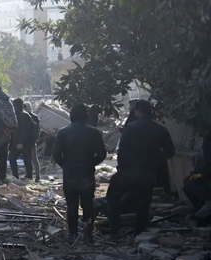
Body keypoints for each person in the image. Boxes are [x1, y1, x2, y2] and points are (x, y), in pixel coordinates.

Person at [108, 100, 175, 238]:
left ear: (138, 112)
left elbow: (122, 151)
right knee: (143, 202)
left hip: (129, 171)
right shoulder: (161, 129)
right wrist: (156, 160)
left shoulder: (131, 127)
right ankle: (140, 231)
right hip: (149, 172)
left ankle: (114, 228)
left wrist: (122, 168)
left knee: (112, 196)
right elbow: (170, 152)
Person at [52, 103, 107, 243]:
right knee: (88, 205)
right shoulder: (94, 132)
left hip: (70, 174)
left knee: (72, 205)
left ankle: (72, 233)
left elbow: (56, 154)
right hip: (87, 173)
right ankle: (88, 235)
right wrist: (90, 163)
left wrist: (66, 165)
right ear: (86, 116)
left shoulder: (63, 132)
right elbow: (102, 154)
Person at [183, 131, 211, 219]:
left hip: (207, 178)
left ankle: (208, 201)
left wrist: (199, 174)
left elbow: (206, 166)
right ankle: (198, 209)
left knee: (190, 184)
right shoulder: (205, 150)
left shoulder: (207, 147)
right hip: (204, 176)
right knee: (188, 182)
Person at [9, 98, 37, 181]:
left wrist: (21, 142)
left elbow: (25, 131)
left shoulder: (24, 115)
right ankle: (15, 176)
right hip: (17, 142)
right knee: (12, 157)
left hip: (25, 143)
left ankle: (29, 176)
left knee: (27, 159)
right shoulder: (17, 115)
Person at [23, 101, 41, 182]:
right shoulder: (25, 116)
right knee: (27, 159)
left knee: (34, 159)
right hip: (26, 141)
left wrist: (35, 139)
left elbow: (37, 131)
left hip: (31, 141)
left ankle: (37, 176)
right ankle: (29, 174)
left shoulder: (34, 117)